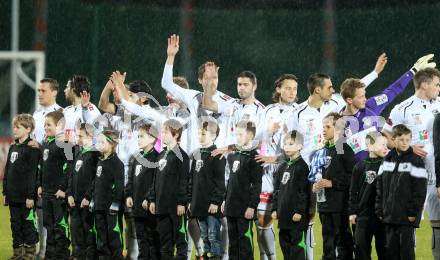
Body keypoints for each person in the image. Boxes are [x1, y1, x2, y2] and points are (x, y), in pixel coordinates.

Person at [340, 54, 435, 162]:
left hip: (381, 169)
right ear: (349, 100)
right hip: (354, 174)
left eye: (364, 95)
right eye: (361, 97)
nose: (365, 99)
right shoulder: (338, 122)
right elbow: (338, 155)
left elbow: (393, 90)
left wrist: (413, 71)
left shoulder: (371, 105)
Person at [387, 67, 440, 258]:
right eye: (436, 84)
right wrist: (409, 148)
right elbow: (387, 136)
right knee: (409, 223)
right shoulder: (403, 109)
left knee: (437, 223)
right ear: (424, 85)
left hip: (437, 175)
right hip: (413, 176)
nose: (439, 88)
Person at [375, 124, 427, 260]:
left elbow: (420, 190)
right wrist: (380, 209)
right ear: (393, 139)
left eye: (408, 140)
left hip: (406, 216)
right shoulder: (386, 160)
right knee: (390, 253)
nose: (405, 143)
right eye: (401, 139)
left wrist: (413, 212)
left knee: (406, 253)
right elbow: (380, 187)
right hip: (389, 216)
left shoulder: (416, 161)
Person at [311, 112, 355, 260]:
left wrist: (332, 183)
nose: (324, 129)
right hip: (324, 204)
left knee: (342, 240)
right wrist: (316, 184)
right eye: (323, 126)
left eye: (328, 126)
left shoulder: (344, 149)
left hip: (339, 205)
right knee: (327, 241)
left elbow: (352, 177)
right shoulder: (322, 150)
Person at [148, 119, 190, 260]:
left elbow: (184, 180)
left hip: (175, 207)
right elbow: (155, 180)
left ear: (176, 134)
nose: (162, 134)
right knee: (165, 243)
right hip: (161, 205)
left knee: (180, 242)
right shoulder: (161, 155)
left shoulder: (182, 156)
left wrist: (181, 202)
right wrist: (152, 199)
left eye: (165, 132)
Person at [222, 120, 263, 260]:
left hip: (244, 207)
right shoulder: (233, 155)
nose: (237, 137)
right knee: (232, 243)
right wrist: (224, 200)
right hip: (230, 206)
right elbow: (229, 180)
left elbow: (257, 184)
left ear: (251, 136)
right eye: (236, 134)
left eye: (241, 134)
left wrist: (252, 206)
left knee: (245, 242)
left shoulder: (255, 157)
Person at [3, 114, 40, 259]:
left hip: (26, 198)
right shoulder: (13, 146)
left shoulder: (32, 148)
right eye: (14, 126)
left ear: (28, 129)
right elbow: (8, 170)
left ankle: (29, 254)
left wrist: (31, 196)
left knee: (28, 225)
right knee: (15, 225)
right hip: (13, 196)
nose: (14, 129)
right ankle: (17, 254)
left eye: (18, 127)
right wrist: (5, 191)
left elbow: (33, 174)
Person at [32, 78, 62, 259]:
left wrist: (41, 146)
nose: (39, 94)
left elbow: (64, 145)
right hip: (38, 167)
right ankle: (41, 249)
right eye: (38, 91)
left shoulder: (61, 113)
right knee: (38, 210)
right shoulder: (36, 114)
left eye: (43, 90)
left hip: (53, 170)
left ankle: (51, 251)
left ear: (54, 92)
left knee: (53, 216)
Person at [188, 119, 226, 260]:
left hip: (211, 205)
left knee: (212, 234)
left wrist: (216, 202)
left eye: (204, 134)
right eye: (199, 133)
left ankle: (216, 255)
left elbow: (220, 182)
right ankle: (207, 255)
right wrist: (191, 200)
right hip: (198, 203)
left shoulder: (217, 155)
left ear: (213, 135)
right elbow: (192, 180)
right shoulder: (196, 153)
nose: (200, 136)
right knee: (204, 234)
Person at [348, 132, 388, 260]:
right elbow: (353, 191)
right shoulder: (359, 166)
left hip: (383, 216)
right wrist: (353, 212)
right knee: (361, 248)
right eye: (382, 145)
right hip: (363, 216)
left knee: (385, 250)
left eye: (386, 145)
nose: (385, 148)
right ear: (370, 146)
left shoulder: (388, 166)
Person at [37, 110, 71, 259]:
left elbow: (69, 168)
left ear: (59, 126)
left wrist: (63, 189)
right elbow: (41, 167)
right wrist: (39, 185)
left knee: (60, 225)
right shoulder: (45, 145)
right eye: (44, 125)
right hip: (46, 193)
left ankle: (62, 254)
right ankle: (50, 254)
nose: (45, 127)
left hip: (58, 194)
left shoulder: (65, 145)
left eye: (49, 124)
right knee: (48, 225)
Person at [271, 130, 310, 260]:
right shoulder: (282, 167)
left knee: (297, 249)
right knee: (285, 248)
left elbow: (303, 191)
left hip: (296, 218)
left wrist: (299, 211)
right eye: (285, 144)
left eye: (290, 144)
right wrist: (275, 208)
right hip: (284, 216)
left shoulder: (302, 167)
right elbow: (276, 190)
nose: (286, 147)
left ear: (300, 146)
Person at [125, 123, 160, 259]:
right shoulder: (136, 158)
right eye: (138, 136)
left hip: (150, 207)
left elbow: (156, 182)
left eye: (142, 136)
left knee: (152, 238)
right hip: (137, 207)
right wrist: (128, 195)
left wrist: (150, 198)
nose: (138, 139)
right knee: (141, 238)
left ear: (152, 138)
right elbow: (131, 180)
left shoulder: (157, 158)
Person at [66, 123, 100, 259]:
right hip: (74, 202)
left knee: (89, 233)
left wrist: (88, 196)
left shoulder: (95, 155)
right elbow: (71, 176)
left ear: (90, 136)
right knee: (76, 233)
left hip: (87, 202)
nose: (78, 139)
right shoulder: (79, 153)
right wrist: (69, 194)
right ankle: (77, 256)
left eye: (81, 136)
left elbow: (96, 180)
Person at [93, 130, 125, 259]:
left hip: (111, 207)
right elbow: (96, 183)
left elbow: (119, 185)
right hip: (99, 205)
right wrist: (92, 200)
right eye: (98, 141)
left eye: (102, 142)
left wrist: (116, 203)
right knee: (101, 236)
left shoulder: (117, 164)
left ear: (112, 144)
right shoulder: (100, 161)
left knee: (114, 236)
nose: (99, 144)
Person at [63, 75, 101, 143]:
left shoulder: (91, 110)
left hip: (83, 152)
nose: (65, 90)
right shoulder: (66, 110)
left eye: (67, 87)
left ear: (73, 89)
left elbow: (97, 134)